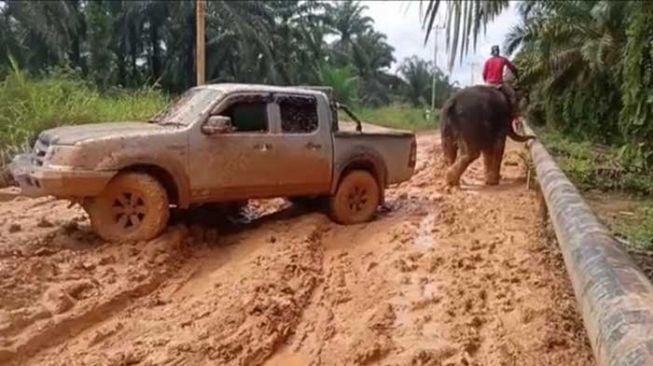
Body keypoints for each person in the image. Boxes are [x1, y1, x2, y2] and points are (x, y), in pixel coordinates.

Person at [482, 45, 523, 129]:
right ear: (498, 51)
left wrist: (487, 81)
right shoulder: (503, 59)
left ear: (492, 53)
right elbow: (512, 68)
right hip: (499, 84)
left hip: (489, 84)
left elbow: (484, 74)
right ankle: (515, 116)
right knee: (512, 95)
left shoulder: (488, 61)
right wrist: (516, 74)